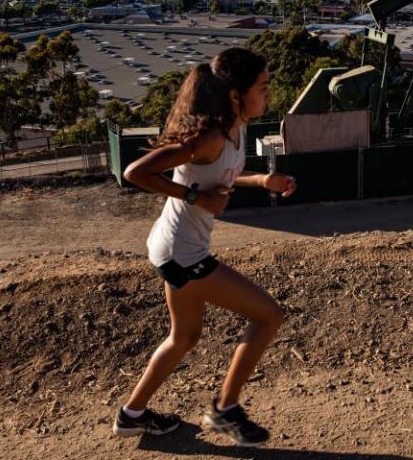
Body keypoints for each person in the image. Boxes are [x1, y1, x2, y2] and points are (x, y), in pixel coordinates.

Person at [112, 47, 296, 447]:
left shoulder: (236, 128)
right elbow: (136, 172)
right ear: (236, 94)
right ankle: (224, 409)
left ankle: (132, 415)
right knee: (269, 316)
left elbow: (223, 176)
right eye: (262, 88)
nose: (268, 95)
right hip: (183, 253)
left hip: (172, 247)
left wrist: (259, 182)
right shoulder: (209, 136)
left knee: (184, 338)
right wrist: (195, 199)